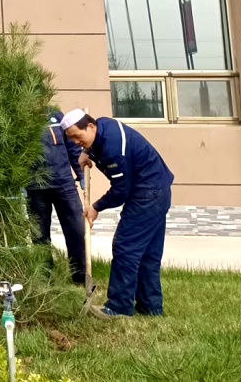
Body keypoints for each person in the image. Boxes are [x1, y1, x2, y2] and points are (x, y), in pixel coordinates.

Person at [61, 108, 174, 319]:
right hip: (159, 188)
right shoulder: (103, 126)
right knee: (148, 253)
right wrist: (87, 152)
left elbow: (121, 191)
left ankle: (119, 306)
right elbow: (95, 143)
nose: (76, 142)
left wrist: (95, 207)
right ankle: (150, 307)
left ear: (91, 126)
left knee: (126, 247)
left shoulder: (114, 149)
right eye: (72, 139)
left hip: (147, 194)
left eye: (78, 137)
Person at [26, 108, 86, 284]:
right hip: (34, 186)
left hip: (64, 184)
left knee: (76, 229)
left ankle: (80, 275)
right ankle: (44, 276)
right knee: (39, 234)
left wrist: (80, 174)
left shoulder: (56, 115)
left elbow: (73, 147)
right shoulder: (21, 116)